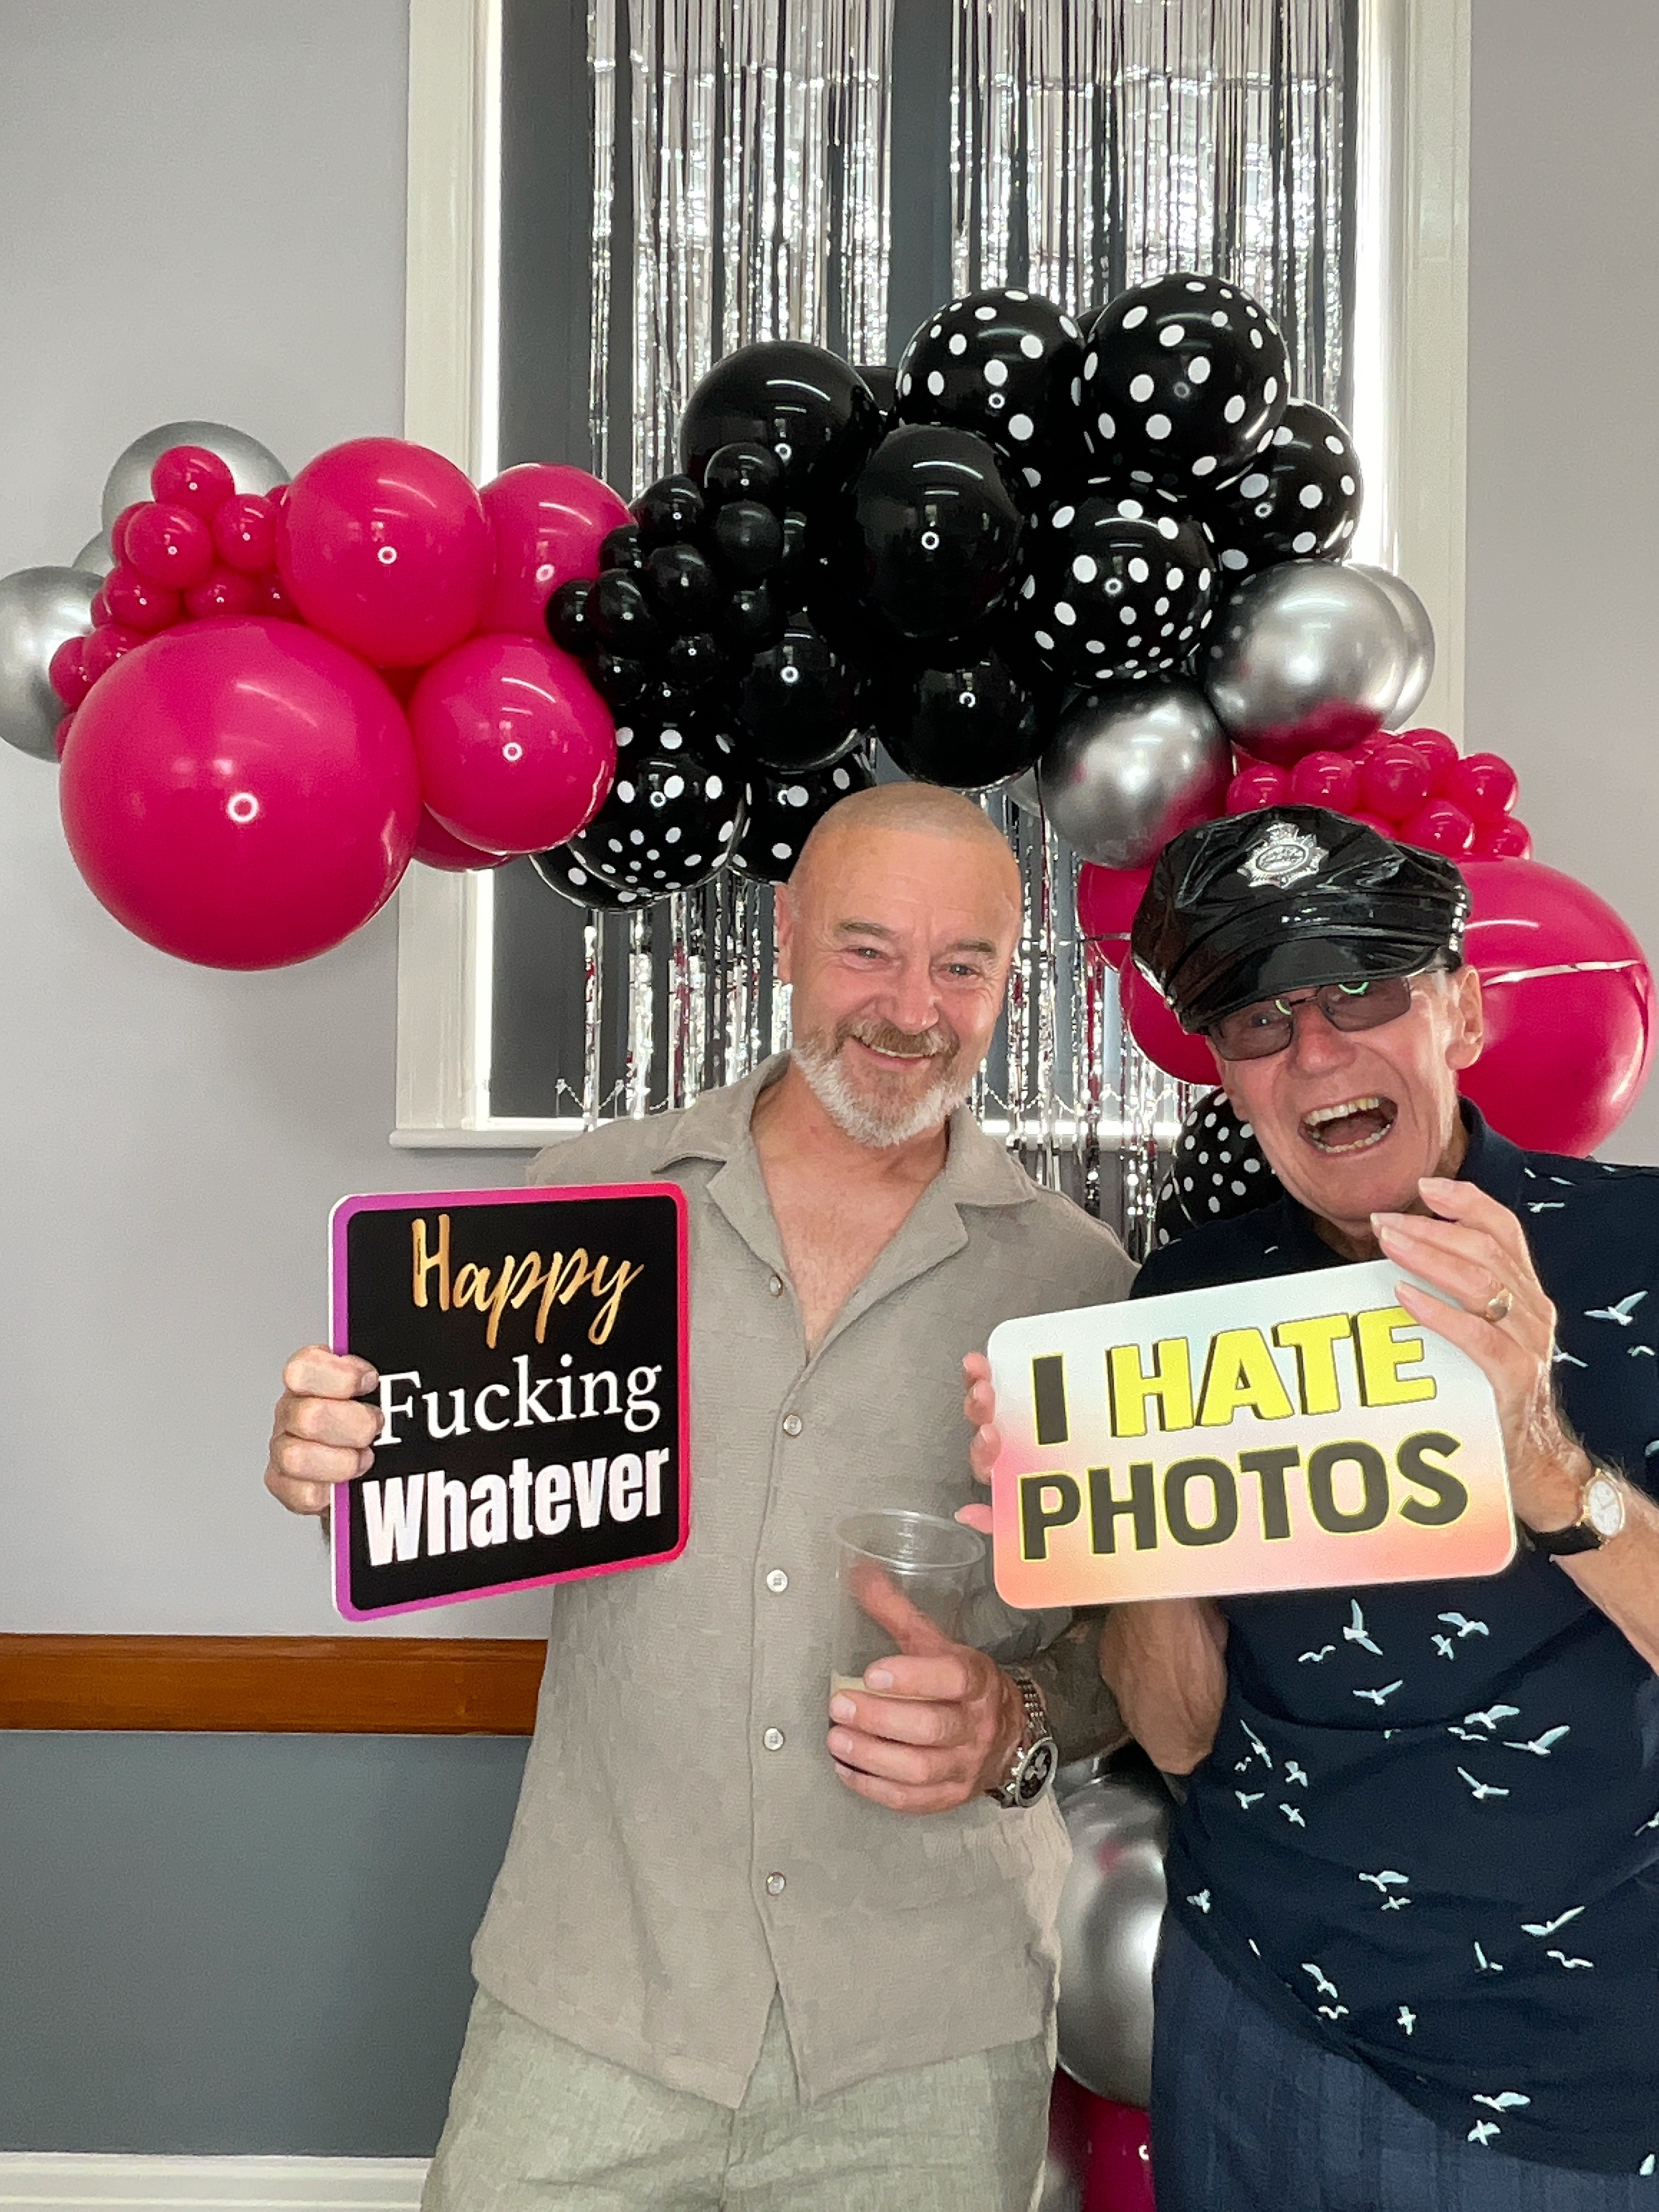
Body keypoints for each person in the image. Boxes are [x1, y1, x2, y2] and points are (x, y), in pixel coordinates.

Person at [266, 783, 1134, 2212]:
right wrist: (333, 1460)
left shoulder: (1081, 1284)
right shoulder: (580, 1200)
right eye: (867, 948)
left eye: (962, 964)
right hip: (595, 2000)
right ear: (786, 935)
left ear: (1010, 973)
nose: (912, 1006)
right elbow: (441, 1472)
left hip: (924, 2034)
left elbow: (1122, 1656)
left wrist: (1016, 1715)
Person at [966, 805, 1659, 2208]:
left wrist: (1547, 1461)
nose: (1320, 1050)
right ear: (1227, 1071)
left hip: (1554, 2069)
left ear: (1460, 1009)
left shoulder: (1642, 1248)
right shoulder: (1185, 1301)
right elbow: (1173, 1725)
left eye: (1365, 990)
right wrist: (1117, 1517)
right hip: (1255, 2028)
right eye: (1263, 1021)